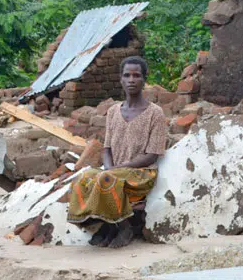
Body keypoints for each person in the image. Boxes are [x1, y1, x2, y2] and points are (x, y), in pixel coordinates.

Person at [67, 56, 168, 248]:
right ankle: (105, 226)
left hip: (142, 173)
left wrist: (116, 169)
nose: (131, 79)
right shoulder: (113, 111)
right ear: (120, 79)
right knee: (83, 178)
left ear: (144, 79)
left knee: (107, 180)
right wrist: (110, 167)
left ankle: (124, 227)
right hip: (115, 170)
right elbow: (107, 148)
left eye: (136, 75)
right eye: (127, 75)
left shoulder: (155, 113)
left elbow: (152, 155)